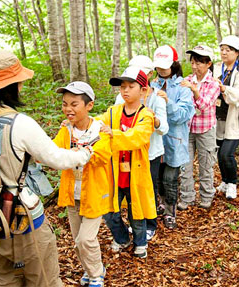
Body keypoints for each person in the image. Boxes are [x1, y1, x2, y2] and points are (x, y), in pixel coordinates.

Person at [0, 50, 93, 287]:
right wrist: (85, 152)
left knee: (3, 278)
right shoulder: (18, 122)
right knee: (42, 277)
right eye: (19, 82)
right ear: (10, 86)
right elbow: (56, 159)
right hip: (20, 218)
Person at [53, 81, 112, 287]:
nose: (68, 109)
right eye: (64, 104)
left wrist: (79, 152)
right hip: (72, 194)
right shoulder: (66, 130)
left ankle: (97, 275)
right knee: (78, 240)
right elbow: (54, 151)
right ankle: (90, 270)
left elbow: (101, 156)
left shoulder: (100, 130)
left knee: (85, 239)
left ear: (89, 105)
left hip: (94, 194)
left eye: (74, 104)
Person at [100, 66, 156, 258]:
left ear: (143, 90)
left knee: (136, 212)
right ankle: (122, 238)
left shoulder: (146, 115)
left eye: (131, 86)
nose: (125, 90)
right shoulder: (113, 111)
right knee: (109, 211)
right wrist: (78, 122)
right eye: (122, 86)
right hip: (114, 172)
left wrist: (112, 133)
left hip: (136, 173)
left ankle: (141, 242)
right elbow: (98, 123)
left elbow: (136, 137)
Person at [115, 55, 168, 241]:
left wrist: (155, 120)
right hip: (127, 154)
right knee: (130, 189)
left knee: (148, 189)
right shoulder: (120, 98)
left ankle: (150, 225)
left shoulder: (157, 98)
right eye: (125, 83)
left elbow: (164, 129)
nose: (128, 88)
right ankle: (135, 224)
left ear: (149, 75)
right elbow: (114, 121)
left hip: (150, 154)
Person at [151, 45, 194, 228]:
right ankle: (161, 203)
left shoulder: (183, 86)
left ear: (174, 64)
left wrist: (168, 102)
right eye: (158, 66)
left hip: (175, 139)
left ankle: (170, 212)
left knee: (170, 178)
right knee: (158, 177)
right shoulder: (153, 84)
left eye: (165, 66)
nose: (161, 70)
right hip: (156, 140)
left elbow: (184, 115)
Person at [178, 45, 220, 210]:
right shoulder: (187, 80)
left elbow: (204, 105)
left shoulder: (213, 83)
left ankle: (206, 196)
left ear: (208, 64)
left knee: (206, 165)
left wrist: (195, 91)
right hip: (187, 129)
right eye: (193, 63)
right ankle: (187, 197)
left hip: (206, 130)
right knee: (185, 165)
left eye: (199, 63)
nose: (195, 67)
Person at [213, 36, 239, 199]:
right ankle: (224, 180)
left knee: (226, 153)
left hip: (234, 119)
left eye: (228, 50)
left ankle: (232, 184)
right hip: (218, 117)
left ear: (237, 53)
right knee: (219, 152)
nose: (224, 52)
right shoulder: (216, 68)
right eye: (222, 49)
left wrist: (224, 89)